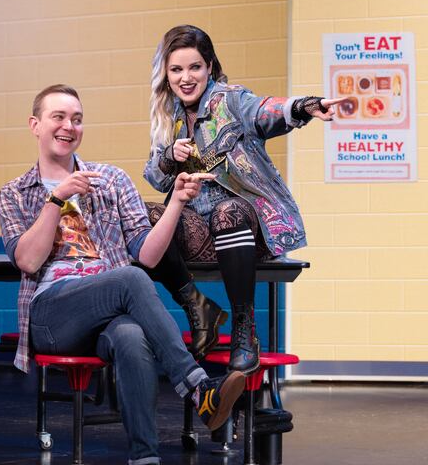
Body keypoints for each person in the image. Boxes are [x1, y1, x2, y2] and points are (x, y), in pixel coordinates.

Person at [0, 84, 246, 465]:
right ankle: (198, 388)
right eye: (58, 117)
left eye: (77, 118)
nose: (69, 126)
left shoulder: (111, 180)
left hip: (107, 308)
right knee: (129, 279)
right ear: (35, 125)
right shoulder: (15, 193)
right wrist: (57, 198)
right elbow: (27, 260)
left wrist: (176, 202)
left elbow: (147, 254)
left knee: (131, 337)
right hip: (52, 315)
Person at [144, 25, 342, 372]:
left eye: (194, 67)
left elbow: (266, 111)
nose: (186, 78)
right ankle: (197, 307)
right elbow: (156, 179)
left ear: (209, 67)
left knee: (228, 211)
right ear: (166, 74)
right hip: (201, 232)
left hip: (247, 231)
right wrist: (168, 157)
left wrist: (305, 106)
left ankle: (243, 329)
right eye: (176, 69)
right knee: (143, 215)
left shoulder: (230, 100)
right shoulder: (167, 116)